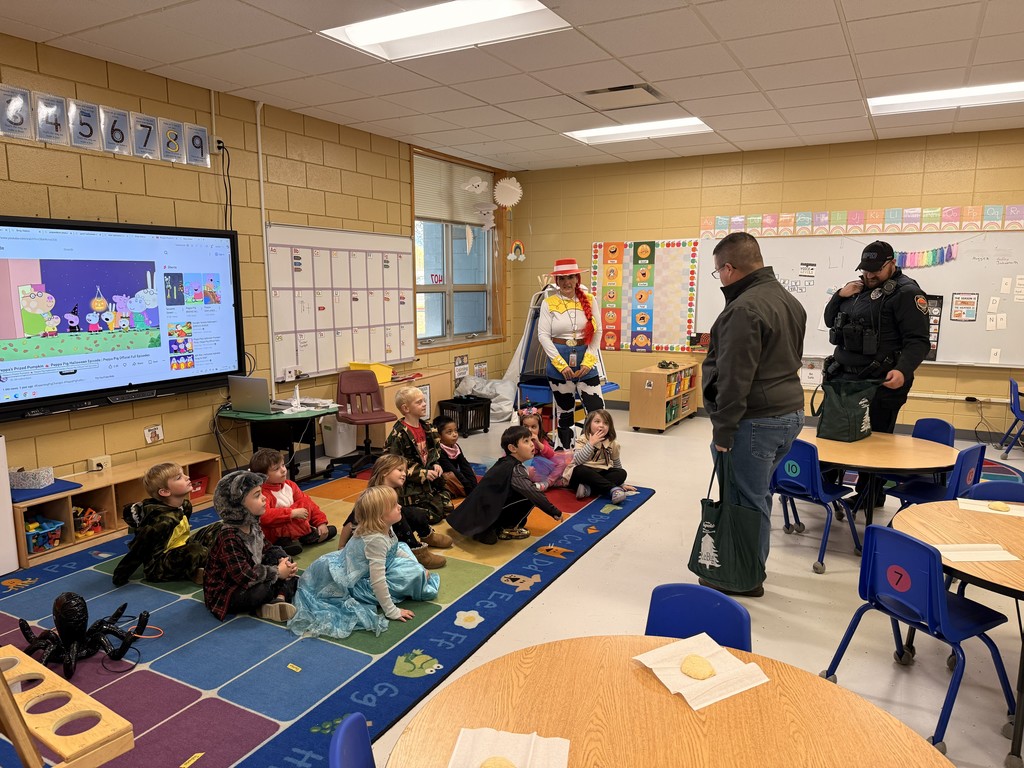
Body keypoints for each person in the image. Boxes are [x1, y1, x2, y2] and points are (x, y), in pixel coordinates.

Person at [701, 232, 806, 598]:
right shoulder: (788, 299)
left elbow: (734, 378)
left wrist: (723, 433)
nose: (721, 279)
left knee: (745, 500)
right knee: (757, 495)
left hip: (753, 421)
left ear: (729, 268)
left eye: (718, 272)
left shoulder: (743, 308)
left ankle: (743, 577)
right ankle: (748, 564)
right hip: (788, 413)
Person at [823, 240, 930, 504]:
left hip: (881, 382)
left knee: (875, 444)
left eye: (876, 270)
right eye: (865, 270)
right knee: (836, 437)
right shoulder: (856, 289)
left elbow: (918, 341)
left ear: (891, 263)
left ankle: (870, 497)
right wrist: (839, 295)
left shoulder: (906, 293)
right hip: (844, 379)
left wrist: (903, 370)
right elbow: (829, 321)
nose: (870, 276)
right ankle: (826, 489)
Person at [288, 485, 440, 639]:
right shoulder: (376, 540)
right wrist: (391, 611)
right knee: (411, 575)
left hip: (369, 565)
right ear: (380, 515)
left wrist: (417, 565)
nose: (400, 507)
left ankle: (416, 571)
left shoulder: (384, 527)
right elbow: (377, 580)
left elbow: (394, 548)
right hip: (354, 582)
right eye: (394, 505)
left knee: (404, 548)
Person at [203, 470, 299, 622]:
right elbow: (244, 575)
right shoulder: (229, 536)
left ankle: (278, 599)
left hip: (253, 577)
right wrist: (277, 572)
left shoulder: (253, 525)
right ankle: (272, 597)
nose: (264, 498)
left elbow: (267, 548)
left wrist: (283, 560)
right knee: (261, 591)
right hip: (230, 590)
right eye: (257, 496)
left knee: (289, 569)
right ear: (237, 506)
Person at [447, 425, 565, 545]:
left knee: (526, 491)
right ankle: (501, 528)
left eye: (531, 440)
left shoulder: (504, 462)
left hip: (474, 513)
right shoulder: (515, 469)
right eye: (526, 441)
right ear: (513, 448)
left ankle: (488, 528)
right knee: (530, 495)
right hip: (481, 515)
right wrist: (554, 511)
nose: (531, 444)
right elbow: (532, 492)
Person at [112, 462, 221, 587]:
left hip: (181, 547)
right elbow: (139, 548)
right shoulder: (162, 520)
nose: (187, 477)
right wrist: (120, 575)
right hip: (159, 565)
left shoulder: (185, 506)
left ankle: (195, 569)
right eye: (179, 477)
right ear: (164, 492)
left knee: (219, 529)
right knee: (197, 552)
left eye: (183, 474)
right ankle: (197, 571)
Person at [537, 258, 605, 449]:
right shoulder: (548, 303)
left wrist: (588, 362)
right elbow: (543, 336)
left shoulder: (589, 300)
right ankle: (565, 452)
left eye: (571, 277)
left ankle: (596, 451)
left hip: (586, 359)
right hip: (559, 362)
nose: (567, 282)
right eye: (562, 278)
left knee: (597, 410)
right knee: (564, 412)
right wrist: (561, 365)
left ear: (577, 278)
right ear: (557, 281)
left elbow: (597, 331)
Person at [385, 386, 453, 524]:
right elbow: (393, 465)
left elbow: (435, 452)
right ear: (406, 408)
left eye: (424, 401)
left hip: (429, 482)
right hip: (409, 484)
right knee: (432, 517)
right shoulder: (398, 434)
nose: (424, 404)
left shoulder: (429, 428)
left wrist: (435, 464)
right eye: (419, 402)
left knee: (448, 508)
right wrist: (421, 473)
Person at [249, 448, 337, 555]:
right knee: (288, 544)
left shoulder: (290, 485)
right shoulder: (263, 493)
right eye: (276, 469)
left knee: (305, 504)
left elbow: (308, 503)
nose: (283, 470)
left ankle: (305, 536)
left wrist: (320, 522)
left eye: (283, 465)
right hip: (278, 534)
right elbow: (264, 516)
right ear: (263, 476)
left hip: (299, 527)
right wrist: (291, 513)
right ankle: (284, 545)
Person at [562, 409, 634, 504]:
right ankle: (612, 489)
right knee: (580, 470)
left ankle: (589, 489)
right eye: (597, 422)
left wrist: (621, 483)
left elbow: (616, 463)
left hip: (601, 473)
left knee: (621, 473)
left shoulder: (613, 443)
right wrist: (591, 444)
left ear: (609, 427)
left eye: (605, 423)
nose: (601, 425)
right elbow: (578, 461)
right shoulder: (583, 439)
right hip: (582, 475)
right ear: (589, 425)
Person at [519, 406, 569, 491]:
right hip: (527, 465)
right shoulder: (519, 439)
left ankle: (548, 482)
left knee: (562, 463)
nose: (529, 430)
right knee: (529, 470)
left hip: (542, 466)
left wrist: (538, 443)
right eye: (525, 427)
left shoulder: (541, 439)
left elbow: (551, 454)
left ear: (539, 428)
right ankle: (556, 482)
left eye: (533, 427)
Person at [433, 414, 478, 498]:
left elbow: (464, 465)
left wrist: (474, 485)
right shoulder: (439, 450)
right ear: (439, 436)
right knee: (450, 476)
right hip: (445, 478)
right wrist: (468, 487)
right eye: (449, 432)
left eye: (455, 431)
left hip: (455, 475)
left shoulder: (455, 446)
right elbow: (452, 470)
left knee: (470, 470)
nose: (454, 434)